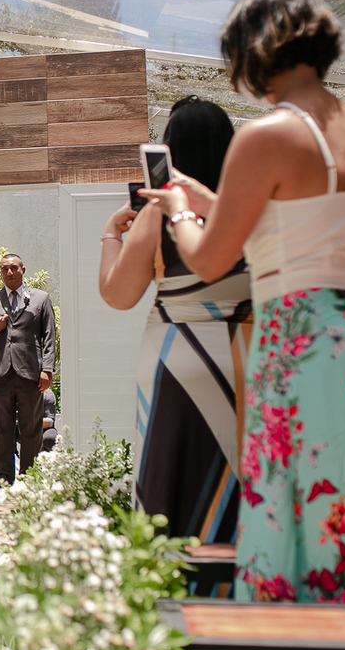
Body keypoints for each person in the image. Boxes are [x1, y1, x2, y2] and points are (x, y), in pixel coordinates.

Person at [142, 0, 345, 605]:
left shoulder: (268, 135)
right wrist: (206, 197)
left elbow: (210, 256)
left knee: (311, 539)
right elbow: (299, 224)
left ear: (254, 49)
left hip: (310, 347)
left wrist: (178, 210)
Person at [98, 96, 248, 546]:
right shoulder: (251, 210)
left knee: (174, 476)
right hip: (248, 355)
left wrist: (111, 233)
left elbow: (118, 294)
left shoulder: (157, 214)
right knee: (248, 472)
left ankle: (175, 573)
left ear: (170, 151)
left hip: (176, 356)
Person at [0, 254, 58, 487]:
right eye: (5, 269)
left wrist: (47, 369)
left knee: (32, 429)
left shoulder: (41, 298)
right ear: (1, 272)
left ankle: (29, 479)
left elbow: (49, 337)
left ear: (22, 270)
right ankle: (4, 479)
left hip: (31, 374)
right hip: (0, 374)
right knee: (3, 429)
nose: (9, 272)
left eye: (14, 268)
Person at [41, 388, 58, 454]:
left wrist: (34, 423)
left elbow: (50, 421)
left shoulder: (47, 393)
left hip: (42, 427)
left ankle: (46, 458)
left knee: (50, 437)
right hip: (18, 427)